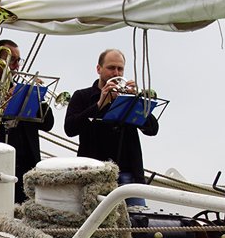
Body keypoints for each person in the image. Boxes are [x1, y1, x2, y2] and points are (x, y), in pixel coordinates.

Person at [64, 48, 159, 207]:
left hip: (129, 175)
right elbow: (70, 128)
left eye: (120, 69)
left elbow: (152, 129)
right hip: (94, 176)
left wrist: (137, 101)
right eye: (111, 68)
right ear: (98, 69)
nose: (116, 73)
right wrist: (100, 104)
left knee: (136, 223)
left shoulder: (129, 98)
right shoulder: (82, 96)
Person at [0, 39, 54, 204]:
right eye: (12, 60)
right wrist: (2, 102)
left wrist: (38, 96)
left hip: (28, 166)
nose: (17, 66)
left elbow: (48, 124)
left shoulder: (23, 88)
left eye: (19, 60)